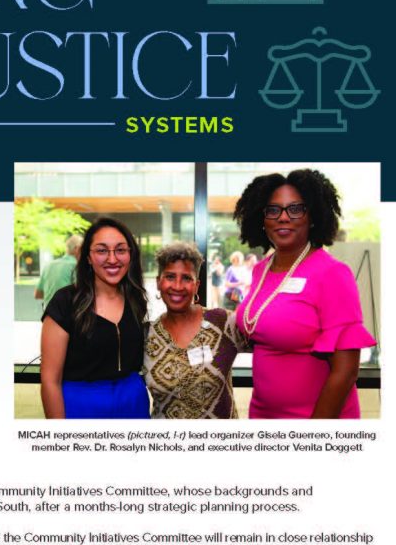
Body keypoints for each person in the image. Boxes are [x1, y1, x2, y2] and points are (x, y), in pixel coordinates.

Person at [234, 169, 375, 419]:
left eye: (295, 209)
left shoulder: (332, 274)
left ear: (312, 217)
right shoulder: (260, 271)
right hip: (262, 416)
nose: (283, 218)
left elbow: (346, 372)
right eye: (273, 210)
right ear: (262, 219)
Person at [40, 217, 149, 419]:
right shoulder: (65, 301)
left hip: (132, 403)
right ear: (88, 257)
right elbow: (49, 380)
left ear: (130, 255)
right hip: (80, 406)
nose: (112, 259)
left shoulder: (136, 299)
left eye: (120, 250)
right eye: (101, 250)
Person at [144, 242, 246, 419]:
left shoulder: (223, 322)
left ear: (197, 285)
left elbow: (271, 344)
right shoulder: (146, 334)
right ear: (158, 282)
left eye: (186, 278)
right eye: (170, 276)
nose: (177, 286)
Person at [34, 234, 83, 308]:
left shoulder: (49, 265)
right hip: (68, 316)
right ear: (77, 248)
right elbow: (82, 295)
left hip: (48, 315)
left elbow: (38, 294)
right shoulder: (78, 267)